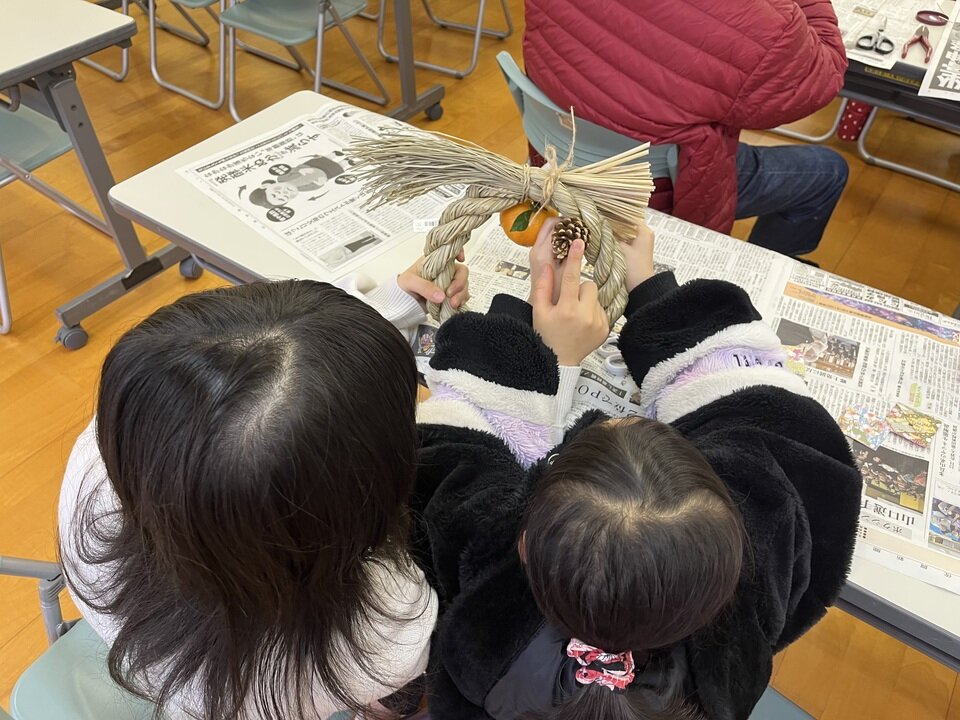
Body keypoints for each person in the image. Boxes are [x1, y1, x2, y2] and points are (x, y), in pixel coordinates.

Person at [412, 218, 862, 719]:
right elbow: (777, 425)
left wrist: (536, 347)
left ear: (521, 539)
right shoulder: (740, 631)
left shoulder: (484, 635)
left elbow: (453, 454)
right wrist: (651, 291)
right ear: (732, 556)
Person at [57, 260, 470, 720]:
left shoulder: (95, 474)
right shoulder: (389, 626)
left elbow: (264, 379)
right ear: (368, 499)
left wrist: (383, 312)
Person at [523, 0, 850, 259]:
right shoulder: (762, 23)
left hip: (560, 157)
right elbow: (823, 74)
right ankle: (757, 269)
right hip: (658, 189)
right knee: (828, 172)